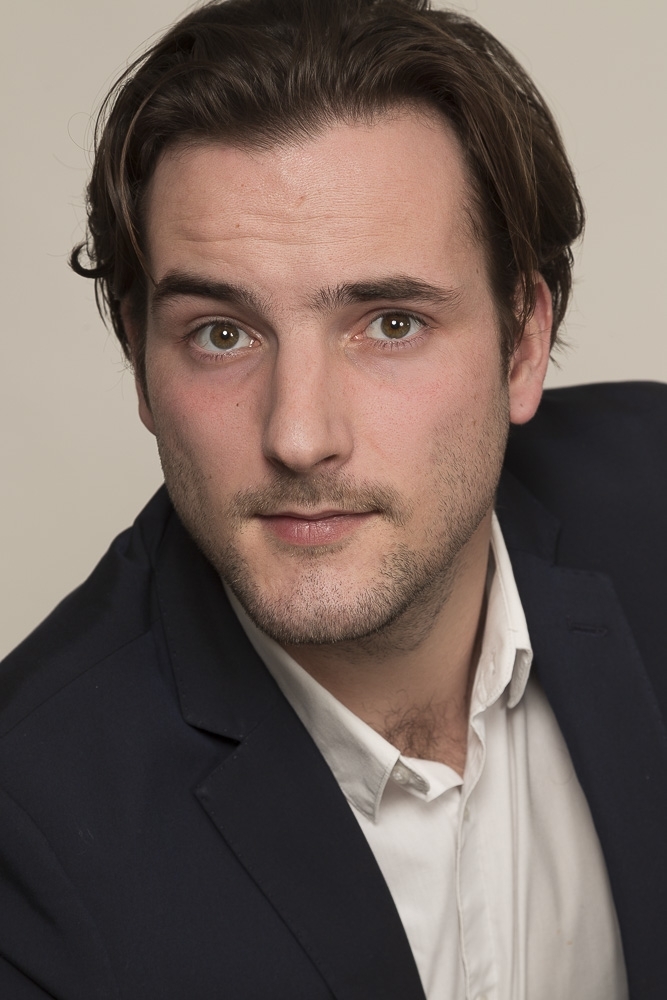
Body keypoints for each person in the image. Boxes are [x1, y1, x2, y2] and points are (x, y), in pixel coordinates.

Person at [0, 0, 665, 996]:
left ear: (523, 344)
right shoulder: (30, 831)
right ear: (139, 362)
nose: (299, 435)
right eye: (221, 333)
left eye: (389, 323)